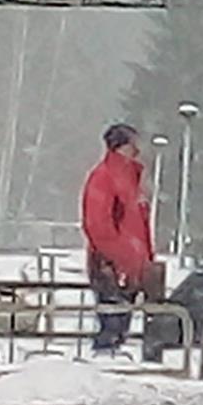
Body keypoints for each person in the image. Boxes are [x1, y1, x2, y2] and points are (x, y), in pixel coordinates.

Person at [80, 122, 157, 356]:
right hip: (113, 264)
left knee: (120, 322)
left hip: (126, 264)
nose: (138, 150)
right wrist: (120, 257)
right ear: (121, 146)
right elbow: (98, 223)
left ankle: (108, 356)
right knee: (112, 322)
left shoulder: (128, 179)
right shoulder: (106, 178)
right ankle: (104, 359)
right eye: (133, 145)